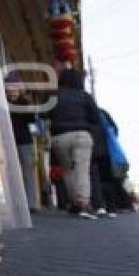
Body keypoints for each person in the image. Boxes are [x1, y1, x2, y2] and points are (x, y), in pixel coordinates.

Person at [48, 68, 102, 219]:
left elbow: (46, 114)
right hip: (82, 135)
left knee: (68, 171)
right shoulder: (85, 96)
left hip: (60, 137)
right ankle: (84, 202)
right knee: (82, 169)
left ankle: (75, 203)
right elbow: (96, 118)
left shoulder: (54, 95)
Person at [5, 83, 38, 210]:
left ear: (19, 91)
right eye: (9, 91)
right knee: (11, 171)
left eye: (14, 91)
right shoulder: (3, 104)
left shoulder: (25, 103)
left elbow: (31, 119)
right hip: (8, 141)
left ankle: (30, 203)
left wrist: (30, 108)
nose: (12, 93)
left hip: (24, 141)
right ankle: (14, 202)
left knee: (27, 172)